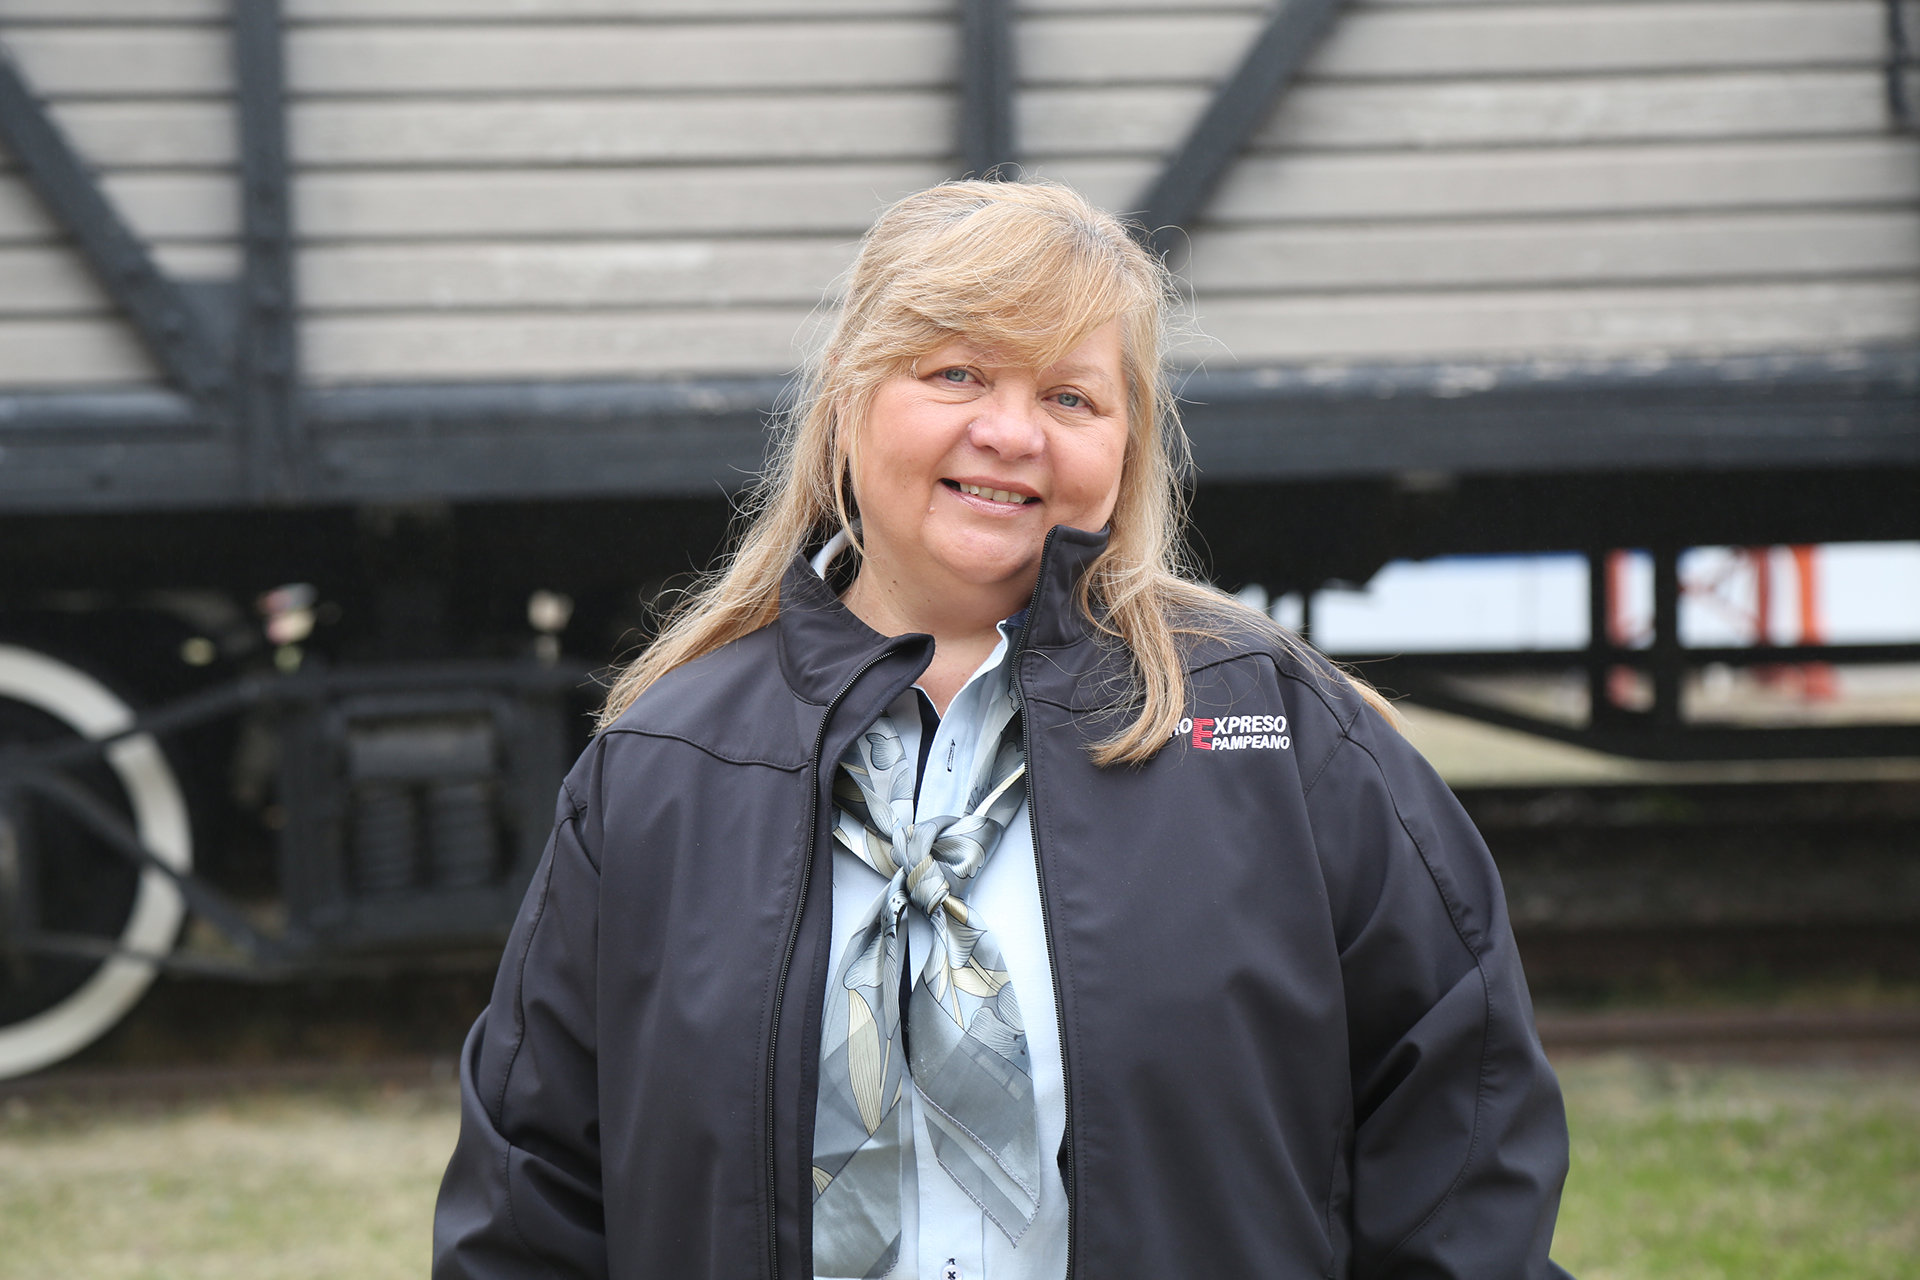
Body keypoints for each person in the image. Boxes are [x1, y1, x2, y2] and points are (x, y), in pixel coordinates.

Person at [433, 178, 1573, 1280]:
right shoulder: (663, 768)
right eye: (957, 371)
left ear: (1126, 444)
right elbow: (533, 1201)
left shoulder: (1281, 736)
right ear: (847, 394)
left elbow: (1463, 1146)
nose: (1011, 432)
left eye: (1071, 397)